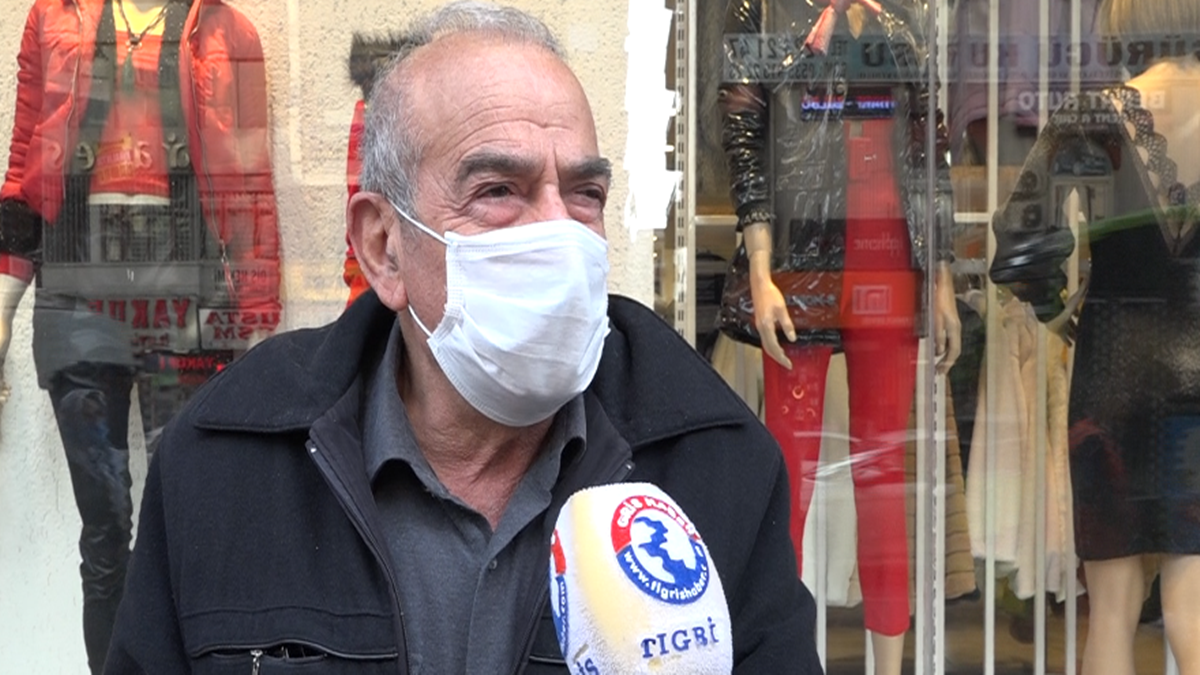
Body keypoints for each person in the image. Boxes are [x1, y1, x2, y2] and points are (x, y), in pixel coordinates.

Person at [103, 2, 823, 673]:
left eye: (585, 194)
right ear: (383, 248)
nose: (558, 232)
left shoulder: (716, 465)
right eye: (498, 190)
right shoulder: (223, 465)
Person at [0, 0, 279, 671]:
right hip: (76, 294)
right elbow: (24, 168)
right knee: (104, 535)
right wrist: (3, 310)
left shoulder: (228, 32)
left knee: (190, 521)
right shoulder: (52, 18)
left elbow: (250, 183)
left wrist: (258, 322)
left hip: (186, 295)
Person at [718, 1, 960, 672]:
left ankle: (891, 666)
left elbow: (929, 148)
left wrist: (941, 278)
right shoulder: (765, 10)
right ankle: (783, 659)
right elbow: (743, 132)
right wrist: (761, 270)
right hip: (800, 267)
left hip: (889, 263)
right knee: (788, 477)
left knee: (883, 479)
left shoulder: (906, 17)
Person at [990, 0, 1200, 672]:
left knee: (1110, 607)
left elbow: (1019, 246)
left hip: (1112, 373)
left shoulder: (1090, 116)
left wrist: (1058, 311)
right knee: (1193, 604)